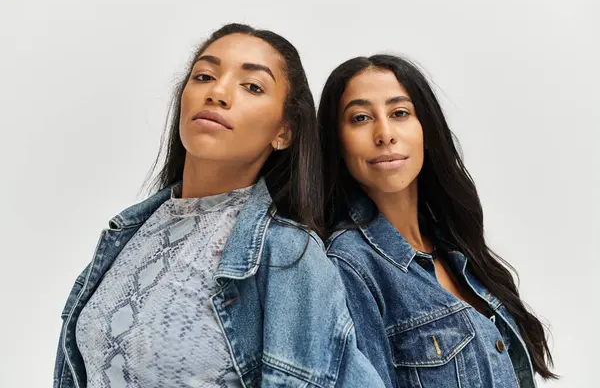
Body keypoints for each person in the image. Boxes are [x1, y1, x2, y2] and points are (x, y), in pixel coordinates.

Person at [53, 23, 383, 388]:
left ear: (284, 131)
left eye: (253, 87)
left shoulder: (289, 254)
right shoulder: (129, 233)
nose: (219, 92)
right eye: (205, 76)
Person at [318, 54, 557, 387]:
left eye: (400, 113)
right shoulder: (348, 266)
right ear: (337, 142)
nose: (384, 133)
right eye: (360, 118)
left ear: (425, 130)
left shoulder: (455, 247)